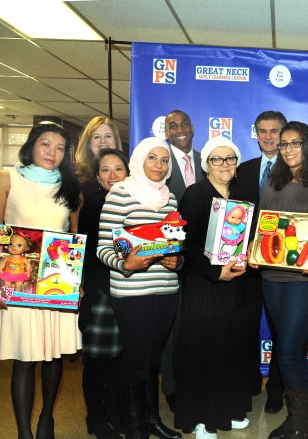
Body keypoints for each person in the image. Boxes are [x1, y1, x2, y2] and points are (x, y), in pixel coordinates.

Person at [0, 122, 82, 439]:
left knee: (53, 356)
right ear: (31, 145)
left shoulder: (70, 186)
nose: (53, 152)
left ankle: (46, 419)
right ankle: (24, 431)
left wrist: (79, 282)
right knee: (25, 359)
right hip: (17, 278)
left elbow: (73, 235)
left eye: (60, 147)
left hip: (56, 280)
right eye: (46, 144)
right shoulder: (6, 178)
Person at [249, 121, 308, 439]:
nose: (289, 149)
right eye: (284, 144)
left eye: (295, 143)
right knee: (284, 347)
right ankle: (294, 421)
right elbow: (264, 224)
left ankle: (299, 427)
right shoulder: (272, 182)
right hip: (271, 274)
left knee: (290, 350)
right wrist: (253, 245)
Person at [96, 137, 182, 439]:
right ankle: (135, 430)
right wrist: (125, 264)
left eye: (164, 160)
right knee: (136, 360)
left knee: (153, 359)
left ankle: (151, 421)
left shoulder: (169, 198)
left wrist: (177, 260)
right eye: (152, 158)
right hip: (132, 293)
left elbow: (173, 244)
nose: (159, 166)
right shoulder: (120, 194)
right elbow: (105, 248)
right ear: (139, 161)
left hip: (166, 291)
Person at [174, 137, 250, 439]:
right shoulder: (196, 193)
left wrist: (246, 260)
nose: (224, 164)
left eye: (230, 158)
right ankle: (203, 418)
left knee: (227, 349)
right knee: (203, 351)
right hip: (203, 285)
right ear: (206, 165)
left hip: (233, 286)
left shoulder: (241, 197)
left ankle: (228, 410)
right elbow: (184, 243)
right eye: (217, 159)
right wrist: (214, 273)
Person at [234, 110, 288, 411]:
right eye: (263, 131)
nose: (268, 137)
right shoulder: (243, 169)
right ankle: (251, 381)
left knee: (282, 329)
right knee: (247, 325)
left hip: (283, 264)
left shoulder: (296, 169)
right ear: (256, 134)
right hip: (248, 267)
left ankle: (277, 387)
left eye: (275, 131)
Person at [78, 148, 130, 439]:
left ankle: (113, 412)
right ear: (98, 177)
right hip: (102, 294)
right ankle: (95, 417)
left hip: (131, 293)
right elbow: (87, 256)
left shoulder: (136, 205)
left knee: (120, 363)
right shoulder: (90, 209)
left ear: (127, 172)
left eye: (118, 169)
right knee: (96, 364)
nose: (113, 175)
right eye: (106, 170)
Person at [161, 109, 205, 410]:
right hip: (172, 262)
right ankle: (172, 387)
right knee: (172, 329)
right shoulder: (159, 164)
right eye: (172, 126)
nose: (179, 130)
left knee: (199, 328)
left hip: (205, 263)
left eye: (184, 124)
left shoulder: (208, 160)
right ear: (166, 132)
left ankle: (196, 381)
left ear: (192, 127)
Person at [75, 116, 124, 203]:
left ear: (116, 142)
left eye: (108, 136)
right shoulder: (76, 174)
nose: (103, 141)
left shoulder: (129, 173)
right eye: (97, 137)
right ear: (88, 144)